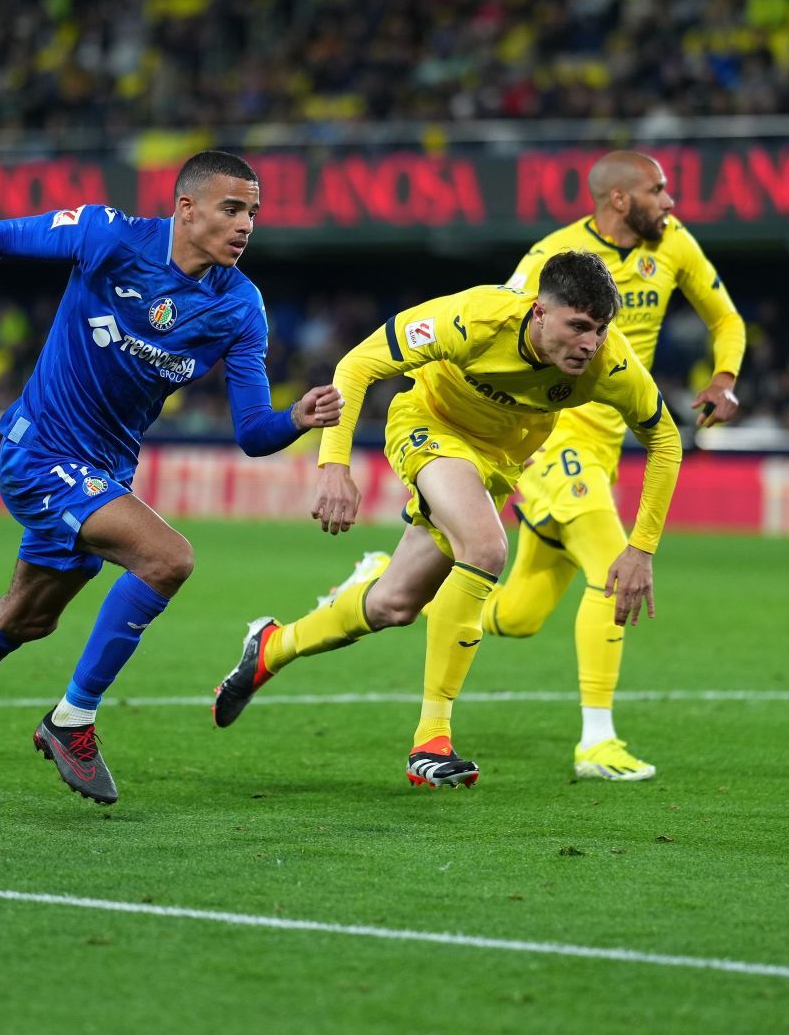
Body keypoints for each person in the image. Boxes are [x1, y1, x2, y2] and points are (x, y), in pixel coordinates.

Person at [0, 150, 341, 811]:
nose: (246, 226)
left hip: (104, 472)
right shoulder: (110, 235)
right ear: (186, 208)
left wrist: (296, 417)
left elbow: (252, 431)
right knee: (168, 557)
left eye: (253, 213)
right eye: (232, 208)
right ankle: (71, 720)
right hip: (39, 451)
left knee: (25, 618)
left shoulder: (239, 307)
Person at [211, 250, 681, 789]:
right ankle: (431, 741)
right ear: (538, 313)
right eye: (578, 326)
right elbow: (358, 365)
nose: (591, 343)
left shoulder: (608, 363)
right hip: (429, 427)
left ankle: (272, 645)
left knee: (394, 604)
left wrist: (641, 547)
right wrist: (334, 463)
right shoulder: (473, 320)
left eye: (600, 329)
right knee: (486, 548)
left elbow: (665, 439)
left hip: (497, 462)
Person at [476, 150, 742, 780]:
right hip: (550, 434)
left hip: (606, 447)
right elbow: (499, 326)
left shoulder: (674, 246)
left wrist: (724, 375)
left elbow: (724, 317)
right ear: (620, 199)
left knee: (517, 617)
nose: (671, 202)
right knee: (611, 566)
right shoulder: (553, 255)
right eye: (659, 190)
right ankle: (597, 741)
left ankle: (388, 581)